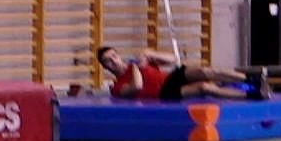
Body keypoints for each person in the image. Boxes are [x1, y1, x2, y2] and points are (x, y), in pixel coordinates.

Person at [95, 46, 268, 101]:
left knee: (206, 71)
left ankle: (250, 79)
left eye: (114, 56)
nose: (115, 61)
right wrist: (135, 65)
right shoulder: (117, 87)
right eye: (109, 61)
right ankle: (250, 95)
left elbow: (172, 59)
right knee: (205, 87)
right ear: (106, 67)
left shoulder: (142, 62)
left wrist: (150, 53)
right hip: (164, 93)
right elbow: (137, 86)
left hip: (170, 77)